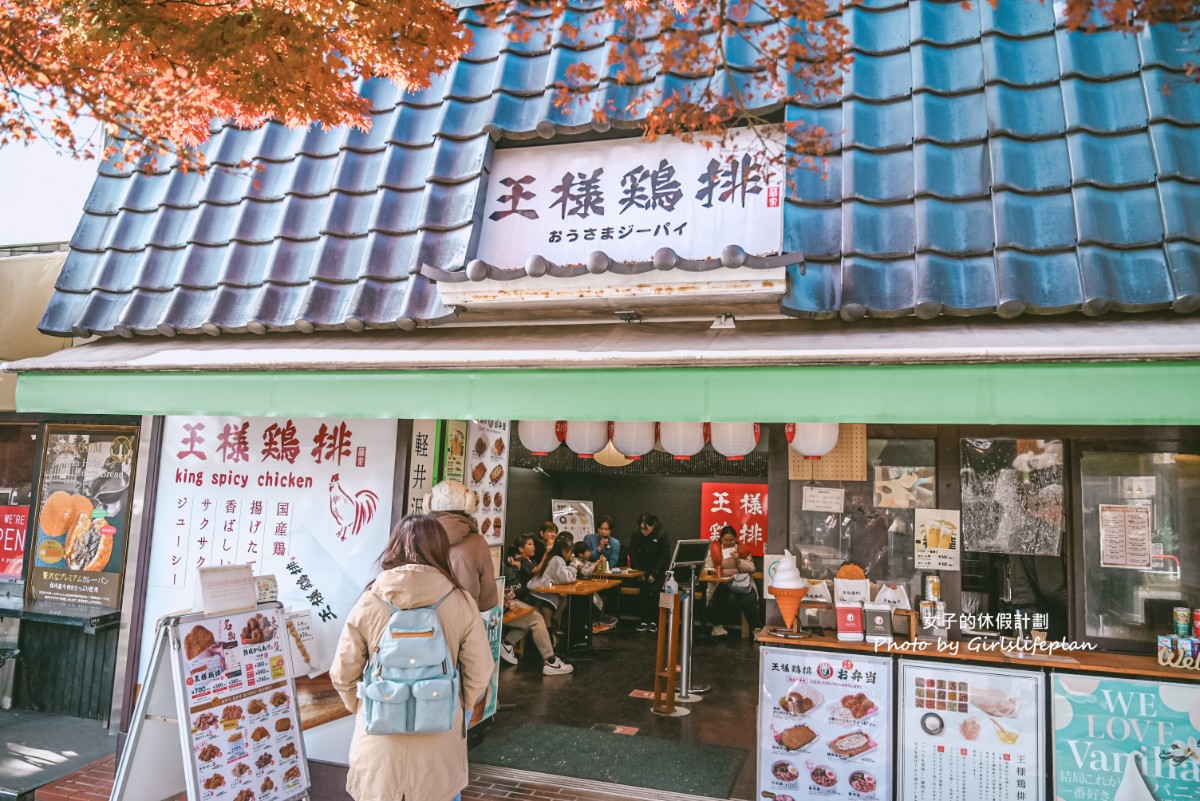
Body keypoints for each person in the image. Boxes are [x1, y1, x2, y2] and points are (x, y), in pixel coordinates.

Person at [330, 514, 494, 801]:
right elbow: (481, 670)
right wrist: (457, 707)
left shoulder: (370, 599)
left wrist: (364, 705)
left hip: (379, 738)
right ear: (440, 548)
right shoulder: (460, 600)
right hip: (439, 738)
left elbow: (342, 673)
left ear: (393, 547)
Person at [499, 537, 573, 675]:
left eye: (533, 544)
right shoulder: (520, 563)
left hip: (507, 600)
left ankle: (507, 644)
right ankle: (550, 661)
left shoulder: (523, 562)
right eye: (529, 544)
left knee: (532, 616)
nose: (533, 547)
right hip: (503, 603)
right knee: (537, 618)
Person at [426, 480, 498, 612]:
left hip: (426, 622)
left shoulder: (418, 539)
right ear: (469, 503)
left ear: (428, 503)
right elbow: (488, 600)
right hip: (466, 619)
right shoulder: (478, 543)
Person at [703, 526, 762, 637]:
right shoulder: (714, 550)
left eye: (732, 540)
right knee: (725, 596)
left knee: (748, 598)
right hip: (721, 584)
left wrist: (738, 560)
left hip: (742, 584)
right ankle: (717, 626)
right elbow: (707, 570)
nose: (729, 543)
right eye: (726, 540)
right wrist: (725, 573)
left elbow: (751, 568)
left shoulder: (741, 549)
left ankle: (756, 629)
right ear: (720, 539)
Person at [527, 532, 577, 630]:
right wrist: (573, 566)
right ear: (563, 551)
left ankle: (553, 623)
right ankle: (551, 628)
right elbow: (565, 578)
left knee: (564, 598)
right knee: (561, 600)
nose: (571, 555)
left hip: (540, 589)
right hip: (539, 593)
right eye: (570, 552)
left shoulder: (554, 557)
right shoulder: (557, 560)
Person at [630, 513, 670, 633]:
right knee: (643, 593)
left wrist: (654, 574)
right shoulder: (636, 534)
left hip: (658, 568)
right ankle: (644, 621)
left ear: (652, 526)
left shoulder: (661, 535)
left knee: (656, 594)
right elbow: (633, 553)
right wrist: (639, 571)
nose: (643, 531)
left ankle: (654, 621)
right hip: (643, 568)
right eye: (641, 528)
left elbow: (664, 557)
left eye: (646, 528)